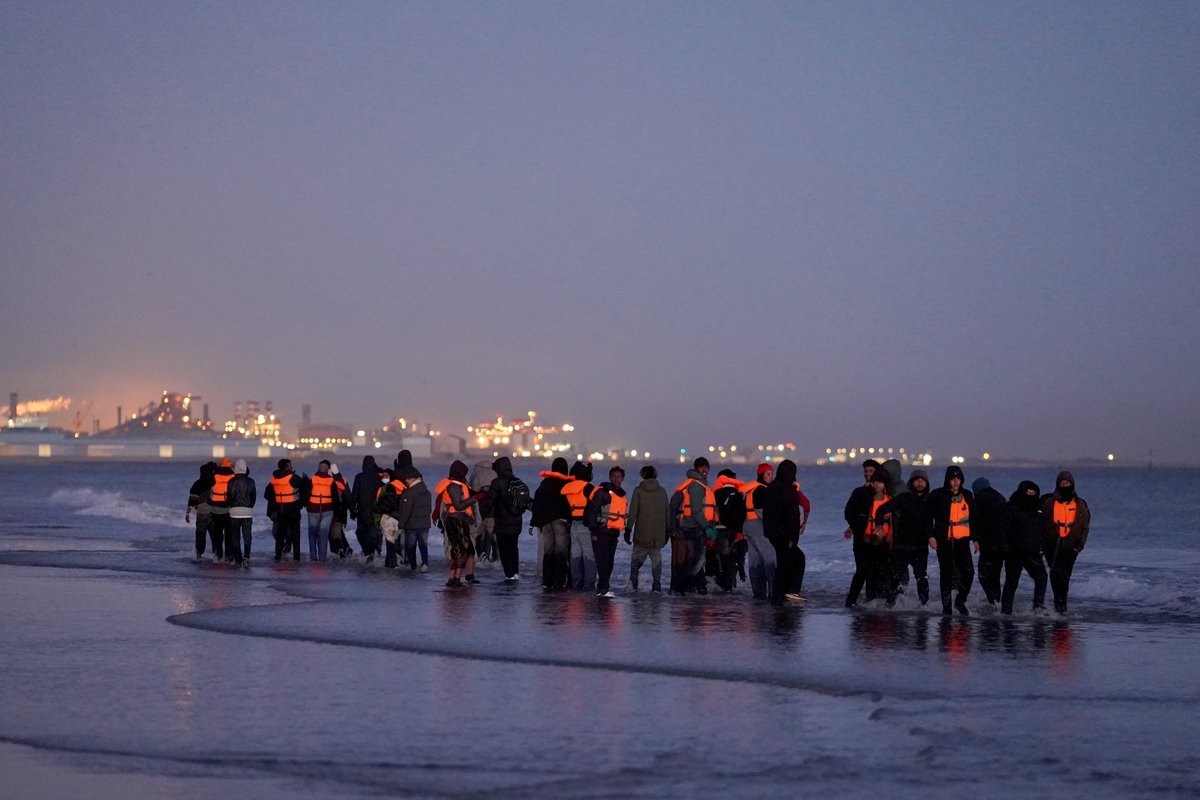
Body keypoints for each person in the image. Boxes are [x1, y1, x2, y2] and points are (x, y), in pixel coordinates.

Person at [873, 468, 934, 605]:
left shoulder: (931, 500)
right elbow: (881, 510)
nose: (920, 483)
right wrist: (879, 527)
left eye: (922, 480)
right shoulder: (904, 498)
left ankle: (924, 606)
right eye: (917, 480)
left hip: (920, 547)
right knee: (895, 578)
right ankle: (889, 606)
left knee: (922, 578)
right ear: (911, 483)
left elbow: (939, 520)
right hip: (901, 546)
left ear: (927, 483)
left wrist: (933, 536)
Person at [1042, 471, 1090, 614]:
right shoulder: (1049, 503)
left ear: (1072, 484)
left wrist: (1079, 546)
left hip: (1071, 546)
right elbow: (1041, 523)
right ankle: (1059, 605)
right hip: (1052, 545)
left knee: (1064, 576)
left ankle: (1062, 606)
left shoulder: (1080, 504)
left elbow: (1085, 527)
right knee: (1055, 574)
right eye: (1062, 483)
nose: (1065, 486)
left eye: (1067, 483)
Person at [930, 465, 975, 615]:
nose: (955, 482)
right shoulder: (938, 495)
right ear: (947, 480)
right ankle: (946, 608)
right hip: (944, 541)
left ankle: (960, 601)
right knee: (946, 574)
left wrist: (976, 539)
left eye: (958, 479)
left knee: (969, 572)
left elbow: (973, 518)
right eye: (952, 479)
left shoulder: (967, 495)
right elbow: (927, 517)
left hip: (963, 541)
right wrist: (930, 536)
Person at [762, 459, 805, 605]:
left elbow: (768, 512)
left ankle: (781, 596)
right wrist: (793, 537)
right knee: (795, 560)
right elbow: (792, 515)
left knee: (786, 562)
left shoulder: (771, 488)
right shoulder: (788, 490)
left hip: (772, 533)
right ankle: (788, 593)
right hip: (784, 534)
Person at [1002, 480, 1048, 614]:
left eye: (1033, 492)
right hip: (1014, 552)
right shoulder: (1011, 508)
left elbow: (1042, 530)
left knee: (1042, 577)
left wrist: (1042, 548)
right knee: (1012, 581)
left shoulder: (1038, 509)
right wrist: (1005, 547)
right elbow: (1002, 529)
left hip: (1032, 552)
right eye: (1028, 492)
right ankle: (1006, 611)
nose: (1031, 495)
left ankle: (1038, 608)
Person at [433, 460, 479, 587]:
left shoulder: (457, 485)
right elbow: (459, 505)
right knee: (460, 552)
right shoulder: (454, 487)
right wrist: (475, 498)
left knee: (463, 550)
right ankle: (455, 579)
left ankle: (454, 579)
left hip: (458, 520)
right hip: (455, 521)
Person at [843, 459, 882, 607]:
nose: (867, 474)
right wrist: (856, 526)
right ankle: (851, 601)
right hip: (860, 538)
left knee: (875, 570)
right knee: (862, 570)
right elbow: (848, 512)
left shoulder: (882, 493)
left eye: (871, 471)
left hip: (877, 539)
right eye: (865, 471)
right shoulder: (859, 492)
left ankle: (870, 601)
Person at [675, 457, 716, 595]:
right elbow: (696, 511)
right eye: (701, 467)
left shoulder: (700, 484)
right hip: (694, 528)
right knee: (698, 561)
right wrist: (707, 527)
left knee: (697, 560)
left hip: (696, 527)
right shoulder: (696, 486)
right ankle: (678, 587)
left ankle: (701, 589)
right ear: (696, 468)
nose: (704, 470)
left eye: (706, 467)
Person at [625, 465, 669, 593]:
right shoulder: (662, 492)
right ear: (655, 475)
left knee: (635, 563)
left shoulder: (638, 491)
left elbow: (633, 512)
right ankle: (657, 587)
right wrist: (668, 531)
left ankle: (633, 586)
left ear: (642, 475)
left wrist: (628, 529)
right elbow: (667, 513)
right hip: (658, 537)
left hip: (642, 535)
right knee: (657, 563)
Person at [530, 457, 572, 591]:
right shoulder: (566, 484)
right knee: (560, 551)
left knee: (548, 551)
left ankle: (547, 581)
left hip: (546, 522)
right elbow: (569, 504)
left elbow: (537, 504)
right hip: (561, 521)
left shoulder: (544, 484)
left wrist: (533, 522)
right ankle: (559, 582)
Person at [484, 457, 527, 582]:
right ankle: (516, 573)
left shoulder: (497, 483)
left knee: (504, 550)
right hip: (517, 523)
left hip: (502, 523)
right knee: (514, 548)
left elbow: (489, 502)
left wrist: (482, 515)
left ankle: (509, 575)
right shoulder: (517, 482)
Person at [587, 466, 628, 597]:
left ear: (623, 479)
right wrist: (594, 532)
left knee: (609, 562)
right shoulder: (602, 493)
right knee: (602, 562)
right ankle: (603, 589)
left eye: (619, 477)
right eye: (614, 476)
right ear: (610, 478)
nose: (617, 479)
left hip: (613, 533)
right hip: (601, 532)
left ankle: (602, 589)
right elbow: (592, 511)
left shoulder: (621, 495)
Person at [740, 463, 777, 600]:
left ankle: (758, 594)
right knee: (770, 561)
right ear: (761, 475)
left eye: (772, 474)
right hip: (759, 528)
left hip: (748, 528)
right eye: (768, 474)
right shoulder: (762, 490)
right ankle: (773, 593)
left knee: (755, 563)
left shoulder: (751, 490)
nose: (771, 477)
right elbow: (763, 512)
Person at [971, 477, 1009, 608]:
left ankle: (993, 602)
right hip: (1002, 544)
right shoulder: (1000, 497)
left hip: (988, 544)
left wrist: (975, 538)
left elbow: (976, 521)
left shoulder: (979, 500)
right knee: (995, 576)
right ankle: (997, 602)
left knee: (984, 576)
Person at [562, 461, 597, 591]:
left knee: (575, 555)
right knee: (589, 556)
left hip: (573, 526)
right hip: (585, 525)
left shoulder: (567, 487)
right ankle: (589, 585)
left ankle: (576, 583)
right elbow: (595, 505)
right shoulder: (588, 488)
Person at [394, 451, 429, 570]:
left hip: (400, 507)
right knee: (421, 542)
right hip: (419, 513)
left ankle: (406, 561)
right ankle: (423, 563)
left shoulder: (398, 472)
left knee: (405, 540)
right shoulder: (416, 473)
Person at [710, 469, 744, 592]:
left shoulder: (716, 493)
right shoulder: (739, 494)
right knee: (733, 559)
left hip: (720, 530)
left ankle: (724, 586)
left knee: (722, 559)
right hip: (736, 531)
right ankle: (732, 584)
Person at [266, 459, 304, 562]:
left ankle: (277, 557)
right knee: (295, 535)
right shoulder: (294, 478)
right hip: (293, 510)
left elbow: (267, 494)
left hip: (280, 510)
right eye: (290, 465)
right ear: (287, 466)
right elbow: (304, 489)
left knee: (280, 536)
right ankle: (296, 558)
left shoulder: (274, 479)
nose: (292, 466)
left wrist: (277, 500)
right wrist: (301, 503)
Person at [350, 456, 384, 563]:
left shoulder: (359, 477)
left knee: (361, 532)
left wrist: (352, 510)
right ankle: (375, 552)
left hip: (362, 510)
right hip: (376, 511)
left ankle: (367, 553)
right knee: (374, 532)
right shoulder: (379, 478)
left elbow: (354, 495)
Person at [469, 458, 499, 563]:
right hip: (492, 509)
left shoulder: (476, 474)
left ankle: (482, 556)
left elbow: (472, 491)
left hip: (479, 509)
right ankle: (493, 558)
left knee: (479, 535)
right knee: (490, 535)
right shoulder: (494, 473)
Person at [185, 461, 217, 562]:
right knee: (215, 537)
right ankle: (217, 557)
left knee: (200, 536)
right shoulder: (215, 483)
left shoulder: (197, 484)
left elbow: (192, 500)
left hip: (201, 514)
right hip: (214, 514)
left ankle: (198, 556)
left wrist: (187, 513)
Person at [305, 460, 336, 562]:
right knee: (323, 534)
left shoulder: (312, 480)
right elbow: (335, 497)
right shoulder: (331, 481)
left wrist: (306, 505)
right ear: (327, 470)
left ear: (318, 469)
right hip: (327, 510)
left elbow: (306, 494)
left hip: (313, 510)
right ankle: (322, 558)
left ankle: (313, 557)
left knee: (312, 534)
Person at [227, 459, 256, 567]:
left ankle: (238, 559)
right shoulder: (251, 481)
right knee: (247, 536)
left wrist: (232, 506)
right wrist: (249, 506)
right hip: (247, 512)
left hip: (234, 512)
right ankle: (246, 557)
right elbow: (253, 497)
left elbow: (228, 497)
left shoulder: (231, 481)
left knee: (235, 537)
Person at [375, 470, 405, 568]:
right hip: (401, 519)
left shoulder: (387, 488)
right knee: (399, 543)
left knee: (390, 544)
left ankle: (391, 565)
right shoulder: (403, 487)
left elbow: (383, 504)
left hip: (390, 518)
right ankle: (401, 563)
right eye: (383, 476)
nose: (384, 478)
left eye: (386, 475)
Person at [210, 457, 236, 563]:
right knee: (229, 534)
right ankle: (228, 556)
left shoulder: (214, 476)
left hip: (216, 509)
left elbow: (210, 491)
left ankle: (219, 555)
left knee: (218, 534)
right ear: (229, 466)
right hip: (229, 510)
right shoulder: (233, 476)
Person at [328, 463, 353, 559]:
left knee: (334, 531)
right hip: (343, 509)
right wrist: (351, 509)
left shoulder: (331, 481)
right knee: (338, 530)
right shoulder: (343, 480)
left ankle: (340, 549)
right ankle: (346, 548)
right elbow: (348, 495)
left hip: (334, 508)